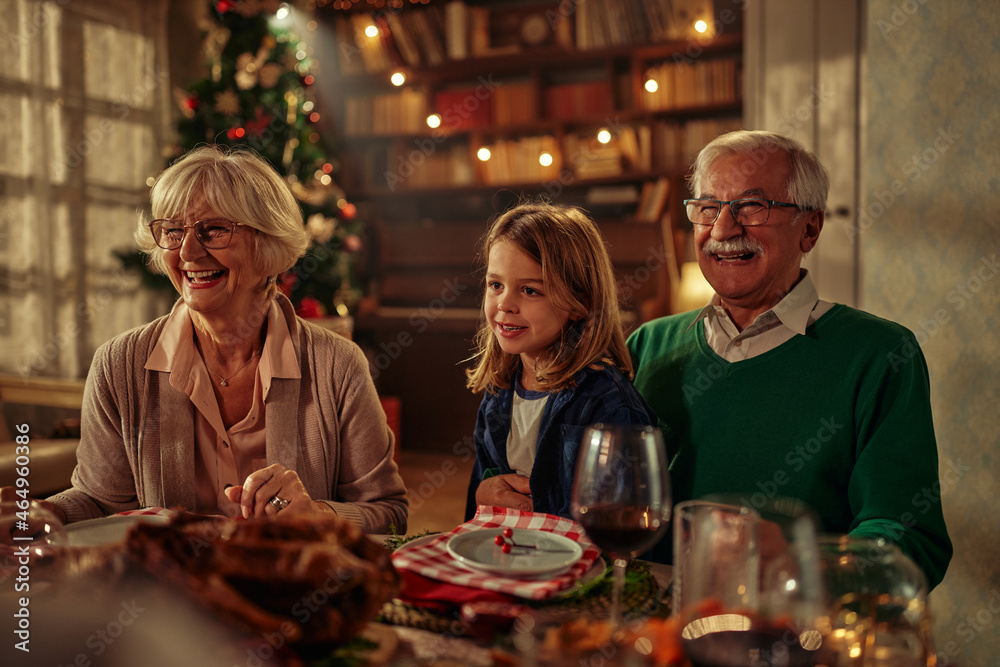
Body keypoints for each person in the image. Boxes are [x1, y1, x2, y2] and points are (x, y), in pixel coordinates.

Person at [0, 145, 407, 533]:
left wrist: (318, 513)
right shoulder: (118, 364)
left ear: (267, 244)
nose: (189, 252)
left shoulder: (337, 365)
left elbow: (389, 515)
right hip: (164, 598)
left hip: (291, 594)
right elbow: (100, 502)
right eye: (173, 231)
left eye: (214, 230)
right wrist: (49, 510)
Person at [627, 130, 951, 588]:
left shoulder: (881, 355)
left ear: (810, 228)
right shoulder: (647, 345)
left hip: (794, 640)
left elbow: (909, 537)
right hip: (652, 639)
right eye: (708, 208)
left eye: (751, 206)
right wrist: (501, 482)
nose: (723, 230)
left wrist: (802, 566)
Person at [464, 202, 658, 519]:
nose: (505, 304)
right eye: (495, 284)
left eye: (529, 290)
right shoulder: (498, 394)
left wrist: (534, 510)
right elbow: (482, 504)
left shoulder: (609, 405)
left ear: (579, 303)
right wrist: (480, 499)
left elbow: (620, 522)